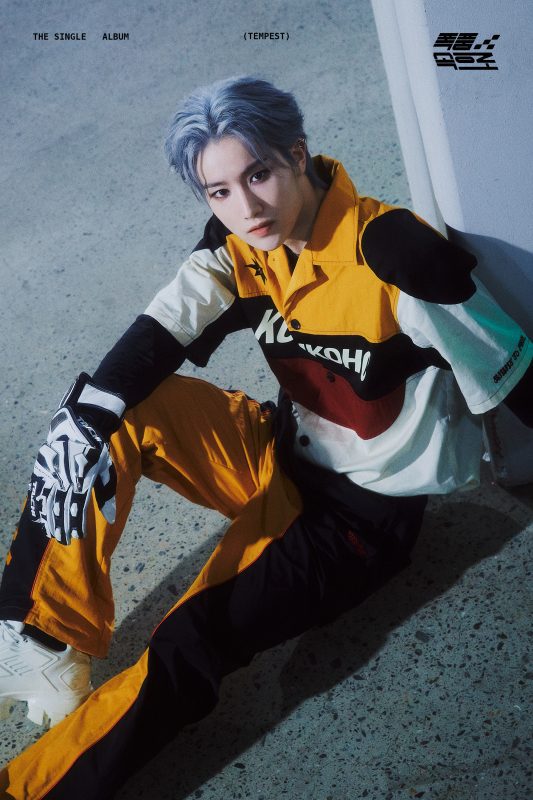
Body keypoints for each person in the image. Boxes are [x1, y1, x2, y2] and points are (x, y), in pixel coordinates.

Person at [0, 75, 531, 799]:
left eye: (258, 175)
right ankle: (41, 638)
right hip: (278, 447)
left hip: (355, 523)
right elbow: (164, 327)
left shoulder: (395, 255)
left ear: (298, 154)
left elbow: (518, 376)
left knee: (191, 638)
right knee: (103, 418)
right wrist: (90, 416)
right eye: (218, 191)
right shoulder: (242, 242)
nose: (245, 208)